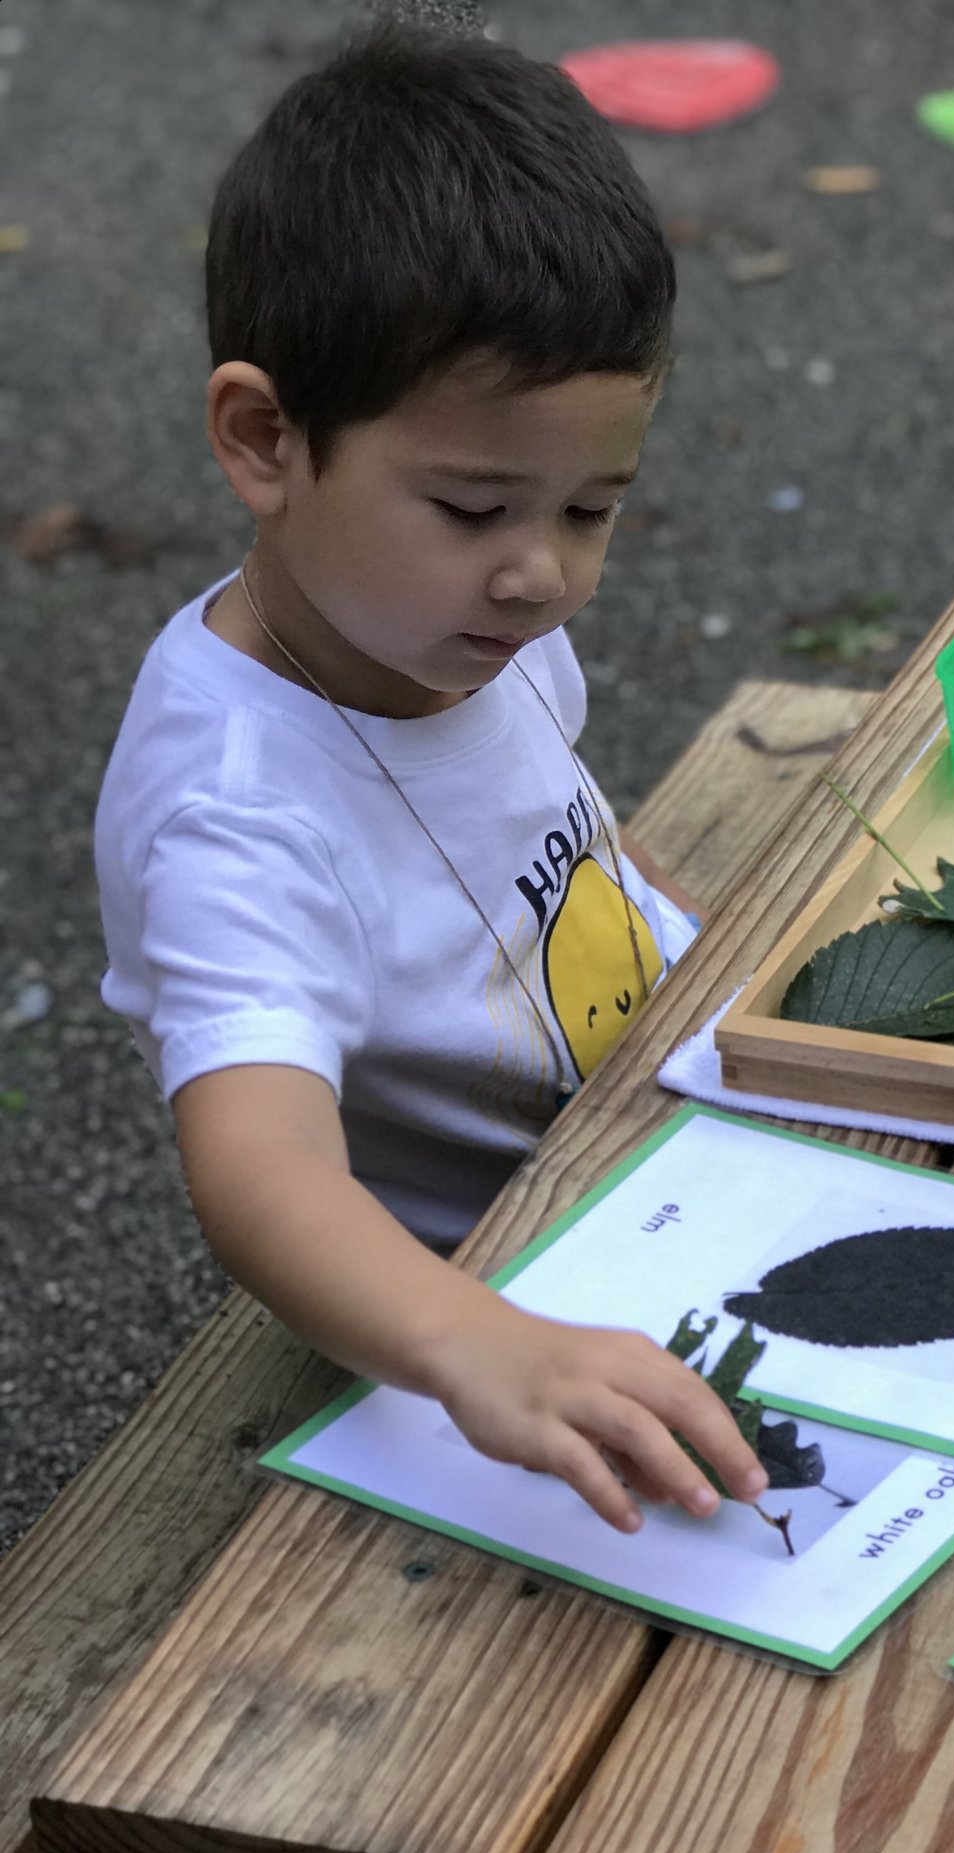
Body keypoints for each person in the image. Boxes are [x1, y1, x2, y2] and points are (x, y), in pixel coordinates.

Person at [91, 26, 767, 1533]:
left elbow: (572, 839)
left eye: (592, 507)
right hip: (509, 1290)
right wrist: (483, 1348)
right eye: (474, 507)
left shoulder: (450, 625)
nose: (542, 575)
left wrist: (721, 963)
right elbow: (257, 1170)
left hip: (670, 1140)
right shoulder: (237, 811)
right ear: (264, 441)